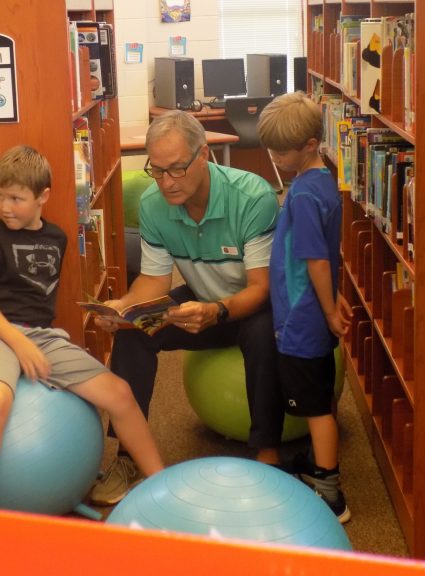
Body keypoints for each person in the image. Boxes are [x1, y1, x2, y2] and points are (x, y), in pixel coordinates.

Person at [89, 110, 284, 506]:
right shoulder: (153, 204)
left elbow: (261, 289)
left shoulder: (253, 197)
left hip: (251, 306)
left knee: (262, 335)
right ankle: (127, 455)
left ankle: (267, 455)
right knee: (133, 334)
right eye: (157, 171)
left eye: (177, 168)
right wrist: (123, 307)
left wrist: (217, 312)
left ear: (204, 154)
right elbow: (154, 281)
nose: (167, 182)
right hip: (198, 300)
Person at [0, 145, 163, 508]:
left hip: (43, 337)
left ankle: (161, 485)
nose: (5, 206)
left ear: (43, 196)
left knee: (120, 394)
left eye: (16, 198)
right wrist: (18, 342)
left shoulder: (57, 238)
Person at [256, 91, 352, 523]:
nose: (275, 159)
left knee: (314, 407)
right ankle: (318, 465)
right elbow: (328, 254)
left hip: (301, 318)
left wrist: (329, 310)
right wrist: (332, 300)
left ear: (310, 145)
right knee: (321, 394)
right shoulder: (323, 181)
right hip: (312, 312)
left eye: (281, 152)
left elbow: (315, 260)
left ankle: (329, 490)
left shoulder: (301, 197)